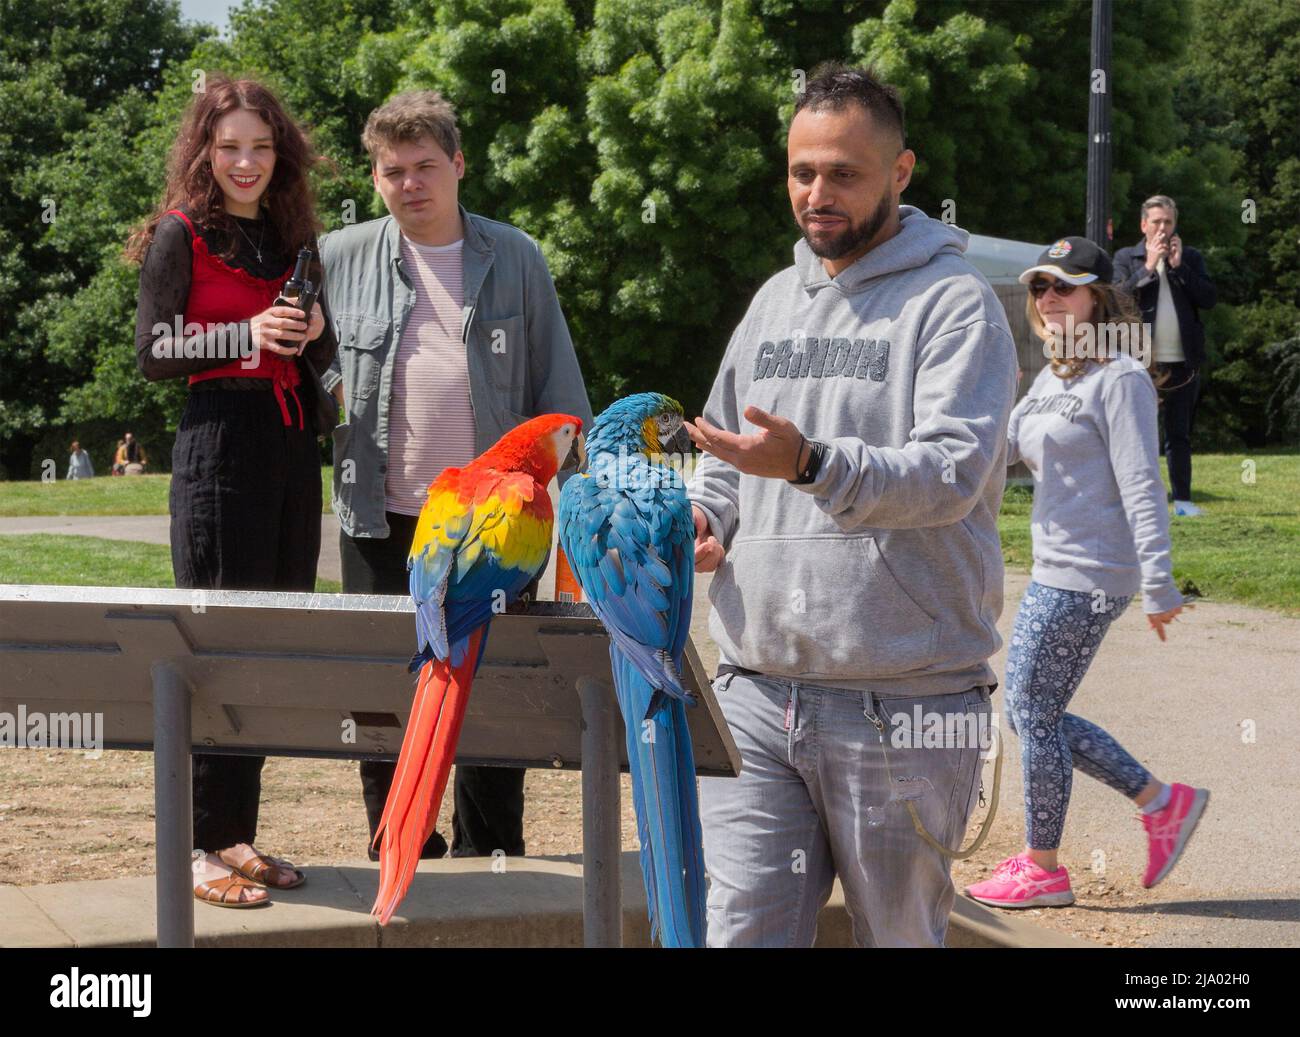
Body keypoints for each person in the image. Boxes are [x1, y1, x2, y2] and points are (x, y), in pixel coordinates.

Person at [685, 63, 1017, 948]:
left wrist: (813, 464)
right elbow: (722, 453)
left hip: (904, 700)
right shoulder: (770, 303)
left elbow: (949, 473)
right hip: (755, 691)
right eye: (801, 172)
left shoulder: (955, 306)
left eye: (844, 173)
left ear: (901, 173)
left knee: (899, 938)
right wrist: (705, 519)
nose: (817, 193)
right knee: (739, 934)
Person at [320, 90, 593, 863]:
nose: (410, 184)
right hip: (382, 520)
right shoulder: (338, 256)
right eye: (392, 170)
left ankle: (491, 854)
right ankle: (398, 846)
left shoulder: (516, 256)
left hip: (493, 526)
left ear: (459, 165)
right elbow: (312, 372)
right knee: (383, 697)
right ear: (376, 178)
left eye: (425, 166)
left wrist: (575, 516)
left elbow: (561, 395)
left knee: (490, 691)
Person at [127, 75, 337, 908]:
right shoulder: (180, 234)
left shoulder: (290, 238)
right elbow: (152, 350)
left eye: (260, 146)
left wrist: (317, 337)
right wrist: (243, 333)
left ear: (278, 152)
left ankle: (232, 833)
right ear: (204, 152)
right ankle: (193, 845)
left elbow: (320, 367)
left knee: (267, 644)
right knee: (216, 643)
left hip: (290, 447)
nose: (245, 162)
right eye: (229, 147)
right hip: (218, 446)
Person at [964, 237, 1208, 911]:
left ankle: (1043, 867)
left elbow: (1141, 483)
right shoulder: (1052, 377)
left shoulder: (1119, 379)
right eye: (1040, 286)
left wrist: (1159, 583)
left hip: (1094, 572)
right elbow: (1004, 451)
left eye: (1063, 286)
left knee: (1031, 714)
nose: (1047, 298)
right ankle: (1162, 802)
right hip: (1055, 567)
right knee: (1033, 711)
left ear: (1096, 298)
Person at [1113, 195, 1217, 517]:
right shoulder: (1126, 258)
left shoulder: (1191, 258)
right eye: (1156, 221)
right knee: (1135, 434)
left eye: (1167, 222)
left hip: (1182, 363)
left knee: (1178, 435)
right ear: (1144, 225)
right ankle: (1136, 501)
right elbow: (1116, 299)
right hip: (1140, 362)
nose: (1162, 227)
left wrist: (1178, 266)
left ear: (1175, 225)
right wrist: (1148, 266)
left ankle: (1182, 502)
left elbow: (1209, 298)